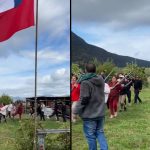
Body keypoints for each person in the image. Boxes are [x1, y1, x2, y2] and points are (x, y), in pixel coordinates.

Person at [73, 63, 108, 150]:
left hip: (90, 114)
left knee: (90, 136)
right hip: (100, 112)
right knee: (100, 132)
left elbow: (84, 99)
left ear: (85, 70)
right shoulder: (101, 80)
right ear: (95, 70)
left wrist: (75, 111)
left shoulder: (85, 82)